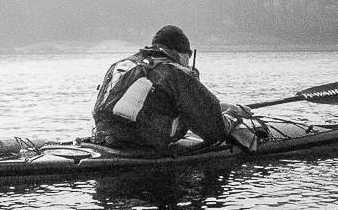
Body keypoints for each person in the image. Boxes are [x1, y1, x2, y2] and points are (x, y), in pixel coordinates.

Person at [91, 25, 256, 153]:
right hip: (140, 144)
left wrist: (227, 106)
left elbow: (152, 102)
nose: (188, 62)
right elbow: (213, 130)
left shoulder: (124, 65)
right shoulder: (175, 71)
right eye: (188, 56)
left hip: (103, 136)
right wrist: (231, 117)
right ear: (181, 53)